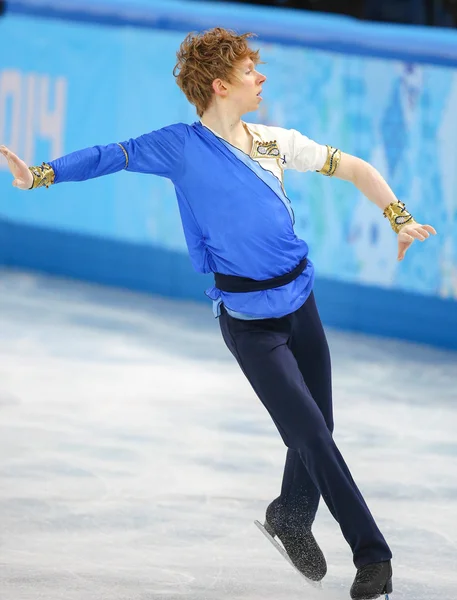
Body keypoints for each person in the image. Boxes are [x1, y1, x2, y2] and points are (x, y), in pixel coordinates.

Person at [0, 27, 436, 600]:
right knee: (312, 435)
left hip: (301, 304)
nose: (261, 78)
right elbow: (113, 156)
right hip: (251, 325)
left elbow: (353, 167)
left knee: (319, 429)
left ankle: (290, 516)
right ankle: (372, 557)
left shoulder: (276, 143)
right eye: (251, 70)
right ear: (220, 84)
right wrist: (42, 174)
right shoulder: (180, 147)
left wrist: (398, 216)